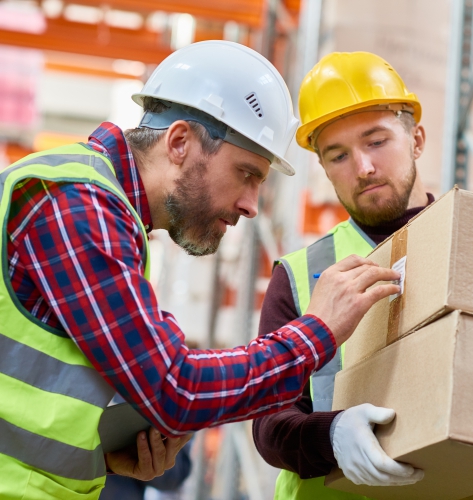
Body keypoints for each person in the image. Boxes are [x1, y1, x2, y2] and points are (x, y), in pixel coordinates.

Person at [0, 42, 400, 499]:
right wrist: (316, 333)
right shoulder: (75, 203)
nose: (251, 205)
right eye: (246, 173)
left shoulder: (109, 216)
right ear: (179, 142)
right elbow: (177, 389)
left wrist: (98, 452)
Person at [252, 51, 431, 500]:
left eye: (376, 142)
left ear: (417, 140)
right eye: (338, 155)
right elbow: (269, 424)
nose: (363, 168)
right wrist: (330, 436)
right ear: (325, 169)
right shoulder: (299, 276)